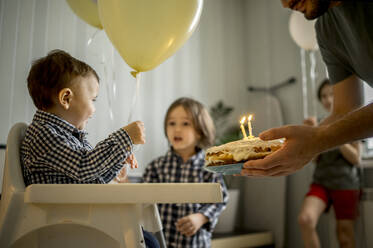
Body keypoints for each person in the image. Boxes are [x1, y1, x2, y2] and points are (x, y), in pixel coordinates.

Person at [21, 49, 159, 248]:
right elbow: (85, 166)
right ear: (66, 99)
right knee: (147, 241)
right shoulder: (43, 134)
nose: (94, 109)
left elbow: (94, 177)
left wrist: (119, 157)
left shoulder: (68, 137)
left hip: (82, 219)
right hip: (65, 226)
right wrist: (124, 137)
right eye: (93, 100)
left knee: (147, 238)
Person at [241, 0, 373, 177]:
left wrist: (317, 140)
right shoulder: (327, 30)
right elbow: (345, 110)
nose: (285, 4)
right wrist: (284, 148)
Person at [142, 97, 228, 248]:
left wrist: (201, 217)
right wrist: (126, 184)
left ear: (200, 131)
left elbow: (220, 198)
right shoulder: (156, 166)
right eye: (172, 123)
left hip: (194, 243)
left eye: (185, 123)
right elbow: (142, 198)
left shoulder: (209, 166)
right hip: (161, 242)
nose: (177, 129)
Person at [298, 79, 361, 248]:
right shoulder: (318, 123)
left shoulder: (352, 120)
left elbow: (356, 158)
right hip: (322, 181)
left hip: (345, 182)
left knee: (345, 237)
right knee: (305, 219)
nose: (327, 99)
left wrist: (332, 136)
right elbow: (313, 160)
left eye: (332, 94)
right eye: (323, 96)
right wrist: (311, 135)